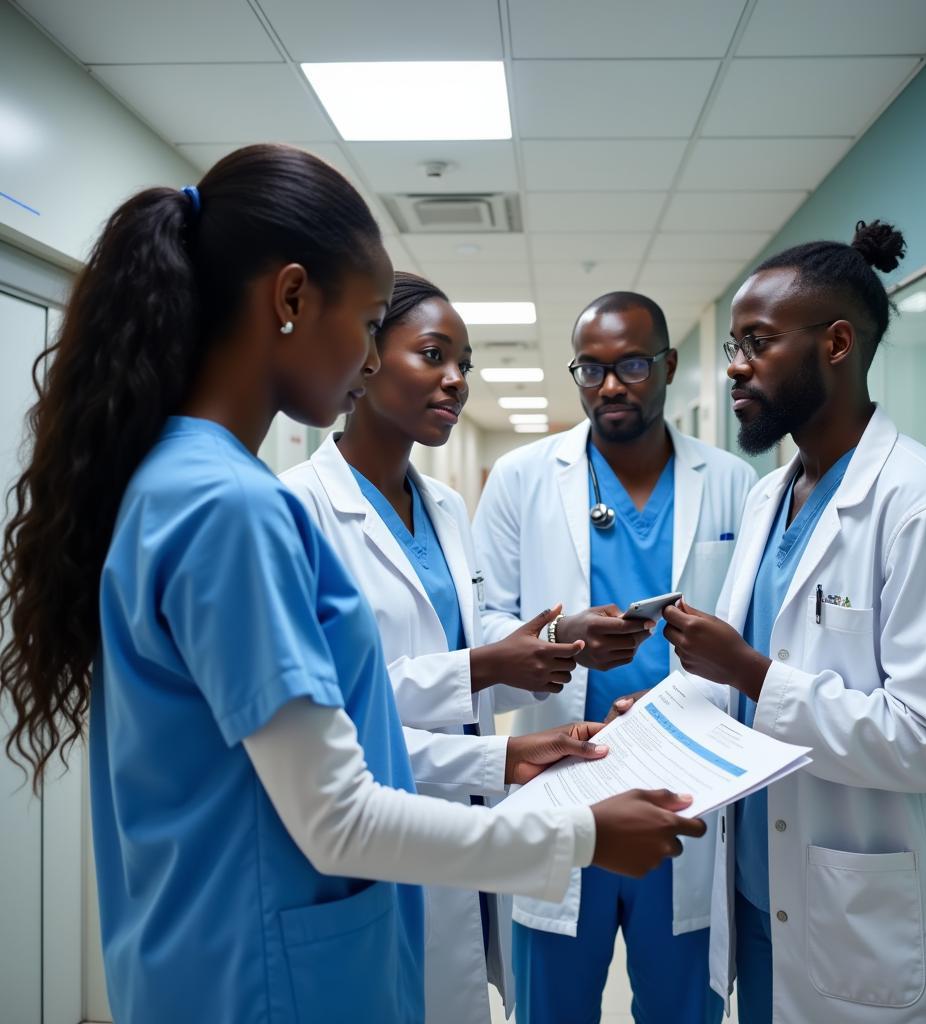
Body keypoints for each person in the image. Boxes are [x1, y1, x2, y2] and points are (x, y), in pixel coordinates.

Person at [0, 145, 708, 1024]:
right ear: (292, 299)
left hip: (219, 956)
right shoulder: (234, 508)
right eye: (372, 322)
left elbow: (309, 749)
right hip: (270, 978)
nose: (370, 358)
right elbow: (336, 817)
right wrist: (584, 834)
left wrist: (502, 757)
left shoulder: (179, 479)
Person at [659, 220, 926, 1022]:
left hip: (862, 915)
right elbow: (757, 690)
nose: (735, 367)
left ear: (837, 343)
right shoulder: (770, 494)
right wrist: (668, 713)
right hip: (762, 891)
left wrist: (745, 671)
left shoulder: (923, 506)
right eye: (735, 344)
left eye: (757, 343)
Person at [282, 271, 598, 1023]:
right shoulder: (297, 508)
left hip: (460, 821)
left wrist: (555, 643)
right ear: (364, 357)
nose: (456, 380)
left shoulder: (447, 506)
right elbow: (331, 703)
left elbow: (468, 634)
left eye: (465, 363)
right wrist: (488, 670)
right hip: (369, 835)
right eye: (433, 355)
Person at [473, 292, 755, 1024]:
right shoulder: (521, 477)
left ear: (667, 365)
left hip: (685, 789)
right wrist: (564, 635)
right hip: (567, 782)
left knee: (680, 1004)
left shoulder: (732, 482)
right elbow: (484, 622)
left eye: (631, 364)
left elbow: (754, 637)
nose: (610, 385)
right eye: (590, 369)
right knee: (554, 1006)